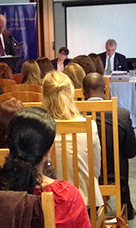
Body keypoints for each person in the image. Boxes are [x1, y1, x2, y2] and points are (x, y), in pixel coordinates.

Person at [42, 71, 103, 208]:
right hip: (86, 202)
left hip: (51, 203)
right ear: (71, 94)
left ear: (44, 97)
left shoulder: (40, 127)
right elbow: (96, 170)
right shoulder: (88, 126)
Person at [83, 73, 136, 219]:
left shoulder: (76, 115)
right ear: (106, 89)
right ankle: (125, 204)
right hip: (114, 175)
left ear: (83, 92)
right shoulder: (122, 114)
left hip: (85, 174)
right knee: (121, 155)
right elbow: (131, 151)